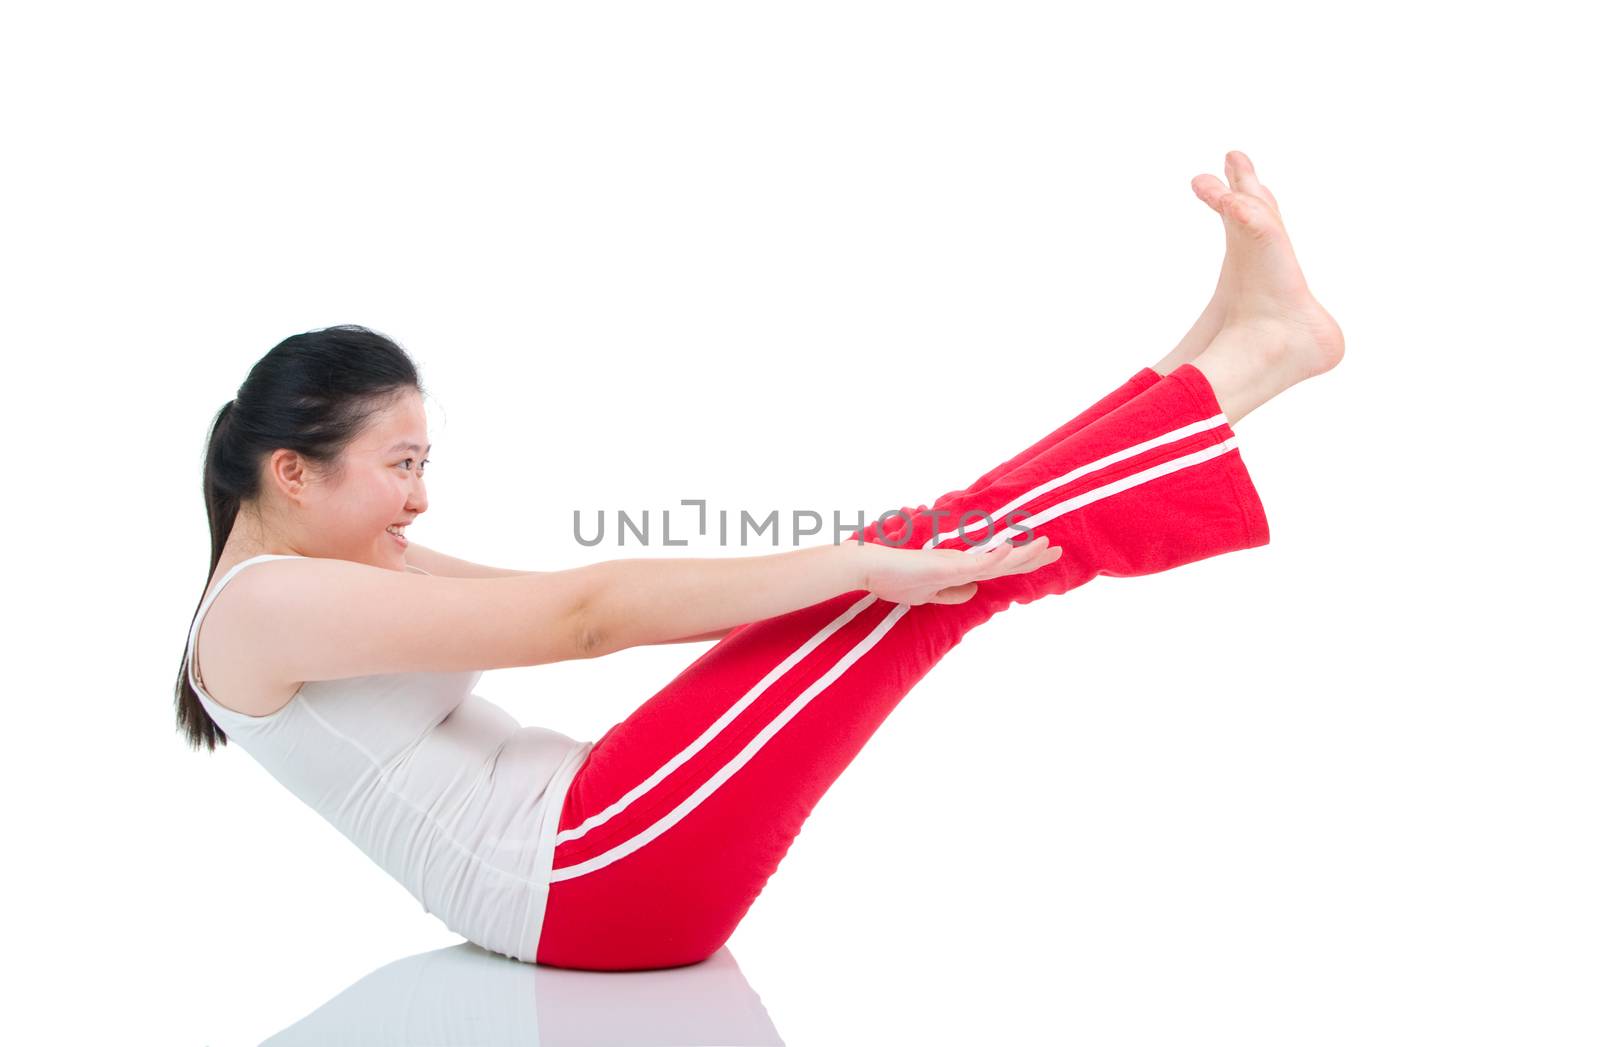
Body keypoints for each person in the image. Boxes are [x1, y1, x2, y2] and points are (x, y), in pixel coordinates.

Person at [179, 150, 1343, 971]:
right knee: (925, 570)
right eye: (401, 464)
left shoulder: (342, 575)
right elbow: (584, 619)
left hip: (599, 837)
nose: (421, 497)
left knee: (923, 547)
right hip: (590, 875)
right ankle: (1258, 361)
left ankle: (1224, 353)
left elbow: (587, 609)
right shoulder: (259, 612)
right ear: (292, 471)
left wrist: (849, 565)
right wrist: (851, 567)